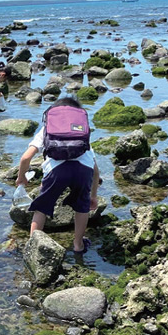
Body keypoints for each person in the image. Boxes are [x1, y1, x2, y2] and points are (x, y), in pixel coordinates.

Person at [16, 97, 100, 252]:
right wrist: (93, 196)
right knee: (82, 207)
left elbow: (26, 158)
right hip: (84, 170)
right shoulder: (80, 131)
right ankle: (78, 244)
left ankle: (33, 245)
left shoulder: (47, 129)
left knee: (41, 207)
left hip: (57, 171)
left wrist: (21, 177)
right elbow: (95, 170)